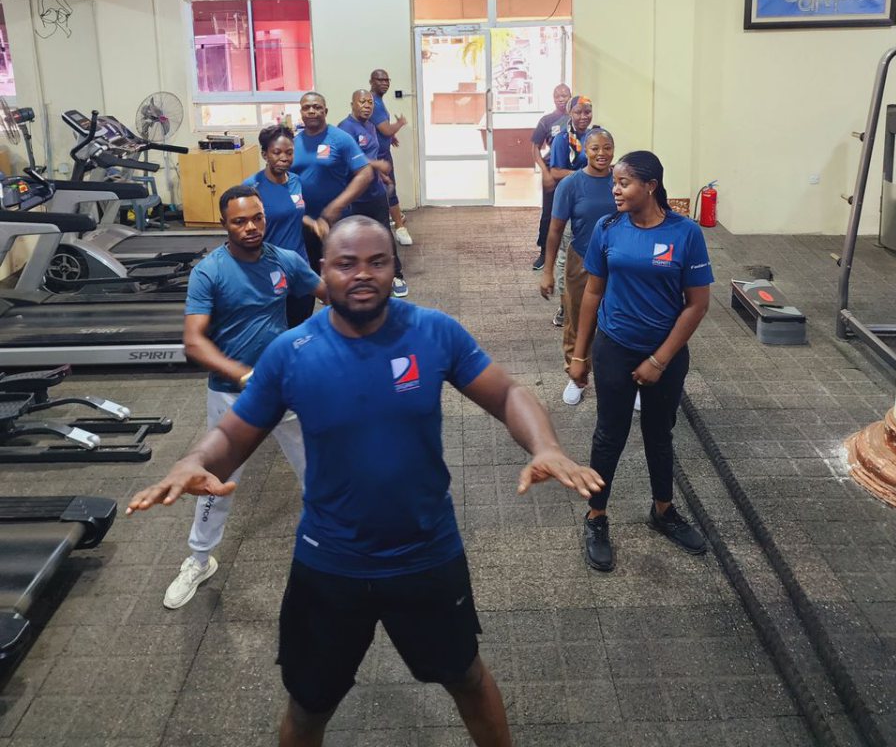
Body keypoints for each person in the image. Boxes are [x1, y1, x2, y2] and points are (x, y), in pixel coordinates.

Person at [129, 216, 604, 746]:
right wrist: (194, 461)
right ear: (323, 272)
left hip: (426, 553)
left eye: (377, 262)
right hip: (329, 562)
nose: (362, 274)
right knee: (308, 707)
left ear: (393, 268)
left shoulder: (433, 331)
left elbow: (508, 393)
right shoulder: (290, 353)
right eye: (346, 263)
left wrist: (546, 446)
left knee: (467, 678)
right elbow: (233, 434)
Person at [162, 185, 325, 610]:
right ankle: (200, 560)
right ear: (224, 224)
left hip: (285, 390)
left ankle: (341, 548)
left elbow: (330, 295)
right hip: (232, 398)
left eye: (257, 218)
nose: (251, 227)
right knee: (215, 484)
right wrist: (244, 374)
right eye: (240, 221)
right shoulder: (209, 272)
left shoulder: (284, 260)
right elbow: (194, 342)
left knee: (319, 472)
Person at [569, 151, 712, 573]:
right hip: (614, 348)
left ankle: (663, 510)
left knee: (659, 433)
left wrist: (659, 360)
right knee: (608, 435)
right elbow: (592, 293)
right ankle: (596, 517)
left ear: (650, 186)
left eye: (624, 182)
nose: (615, 190)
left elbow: (697, 305)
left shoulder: (685, 233)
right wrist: (580, 354)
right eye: (614, 182)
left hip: (665, 354)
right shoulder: (608, 228)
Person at [539, 127, 616, 406]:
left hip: (619, 262)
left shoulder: (621, 180)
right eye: (595, 148)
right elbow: (555, 230)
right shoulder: (571, 184)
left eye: (607, 148)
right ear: (585, 150)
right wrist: (548, 271)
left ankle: (624, 379)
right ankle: (577, 376)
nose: (601, 153)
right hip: (581, 260)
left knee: (619, 319)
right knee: (576, 318)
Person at [290, 90, 374, 275]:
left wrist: (336, 206)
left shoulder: (340, 138)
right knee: (310, 273)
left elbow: (365, 173)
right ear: (301, 112)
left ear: (325, 111)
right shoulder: (293, 143)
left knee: (343, 269)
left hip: (337, 221)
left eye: (317, 107)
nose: (311, 111)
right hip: (304, 221)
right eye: (306, 108)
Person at [338, 88, 409, 298]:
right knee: (353, 240)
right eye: (362, 102)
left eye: (369, 102)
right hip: (355, 197)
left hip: (376, 192)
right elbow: (349, 159)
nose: (367, 106)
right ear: (352, 104)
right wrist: (376, 164)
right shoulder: (345, 129)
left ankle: (395, 276)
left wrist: (382, 175)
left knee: (384, 234)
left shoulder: (370, 125)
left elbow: (372, 152)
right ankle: (349, 281)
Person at [246, 123, 316, 326]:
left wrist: (312, 222)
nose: (284, 157)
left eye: (289, 152)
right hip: (269, 271)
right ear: (265, 154)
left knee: (301, 324)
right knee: (274, 328)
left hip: (300, 267)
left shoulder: (296, 181)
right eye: (277, 152)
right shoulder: (251, 188)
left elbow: (291, 212)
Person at [546, 94, 595, 328]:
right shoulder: (562, 139)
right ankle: (565, 306)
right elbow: (556, 171)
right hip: (570, 202)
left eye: (588, 111)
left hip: (593, 204)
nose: (584, 116)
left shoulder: (597, 135)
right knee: (568, 256)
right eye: (578, 112)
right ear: (570, 113)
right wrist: (584, 175)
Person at [530, 82, 572, 271]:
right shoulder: (546, 121)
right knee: (549, 213)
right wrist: (545, 173)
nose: (561, 99)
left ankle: (573, 253)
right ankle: (544, 253)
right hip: (552, 171)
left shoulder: (577, 118)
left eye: (564, 95)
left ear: (570, 96)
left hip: (572, 170)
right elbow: (534, 148)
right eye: (557, 96)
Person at [369, 68, 412, 245]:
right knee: (389, 190)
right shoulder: (374, 103)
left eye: (387, 80)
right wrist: (399, 124)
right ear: (371, 82)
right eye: (380, 80)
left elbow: (381, 128)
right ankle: (400, 228)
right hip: (378, 158)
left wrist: (390, 137)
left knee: (387, 190)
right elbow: (386, 129)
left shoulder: (378, 100)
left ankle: (394, 218)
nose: (384, 83)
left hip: (383, 153)